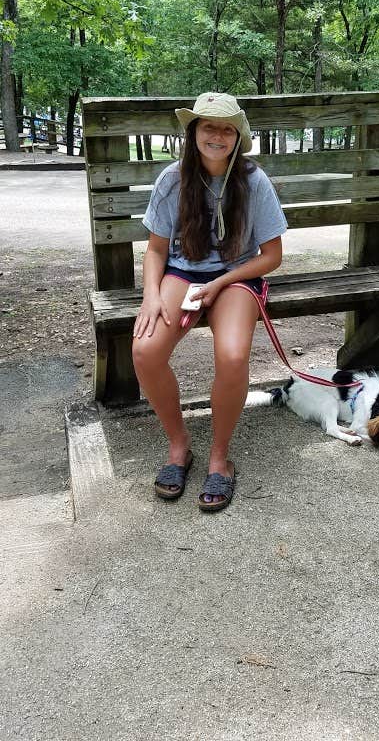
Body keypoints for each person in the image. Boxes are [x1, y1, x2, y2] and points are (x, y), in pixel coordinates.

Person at [132, 92, 288, 512]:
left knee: (233, 356)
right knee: (145, 349)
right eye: (208, 126)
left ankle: (220, 459)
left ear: (238, 136)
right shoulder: (172, 180)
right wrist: (150, 295)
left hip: (237, 277)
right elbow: (156, 250)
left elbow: (271, 256)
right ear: (193, 132)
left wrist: (222, 282)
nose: (216, 135)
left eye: (226, 127)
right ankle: (179, 447)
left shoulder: (254, 181)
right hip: (183, 274)